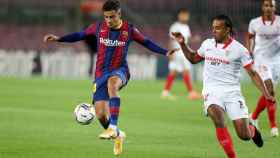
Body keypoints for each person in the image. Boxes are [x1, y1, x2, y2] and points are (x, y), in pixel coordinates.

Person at [43, 0, 175, 156]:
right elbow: (79, 35)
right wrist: (59, 39)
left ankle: (113, 126)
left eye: (112, 17)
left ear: (119, 14)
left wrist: (165, 52)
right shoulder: (98, 27)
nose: (109, 20)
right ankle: (118, 135)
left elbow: (146, 42)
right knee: (100, 115)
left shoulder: (129, 30)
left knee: (112, 85)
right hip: (100, 74)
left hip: (120, 71)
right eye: (106, 17)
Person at [173, 15, 275, 158]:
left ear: (227, 29)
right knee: (219, 119)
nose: (214, 31)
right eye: (213, 28)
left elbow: (252, 73)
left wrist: (266, 94)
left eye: (218, 28)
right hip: (211, 91)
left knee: (243, 135)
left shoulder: (239, 50)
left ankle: (251, 129)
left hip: (232, 93)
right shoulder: (207, 44)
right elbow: (193, 58)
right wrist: (183, 44)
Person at [247, 0, 279, 137]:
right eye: (266, 5)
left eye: (271, 5)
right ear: (262, 7)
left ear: (275, 7)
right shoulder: (255, 23)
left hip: (277, 61)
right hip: (261, 59)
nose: (268, 8)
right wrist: (249, 52)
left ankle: (253, 117)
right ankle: (274, 127)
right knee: (269, 89)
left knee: (269, 93)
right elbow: (249, 38)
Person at [161, 8, 201, 100]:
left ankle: (165, 92)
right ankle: (191, 93)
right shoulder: (175, 26)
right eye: (183, 14)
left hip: (184, 51)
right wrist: (171, 52)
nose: (185, 16)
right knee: (185, 70)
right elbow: (171, 39)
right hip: (178, 51)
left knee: (174, 71)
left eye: (186, 15)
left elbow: (187, 39)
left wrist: (194, 39)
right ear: (179, 15)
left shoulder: (186, 27)